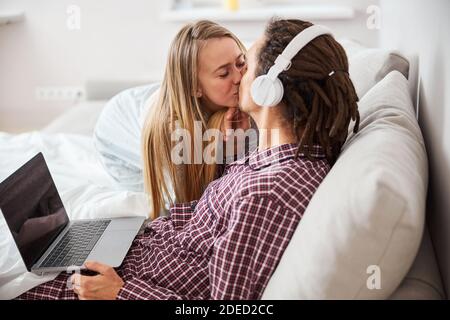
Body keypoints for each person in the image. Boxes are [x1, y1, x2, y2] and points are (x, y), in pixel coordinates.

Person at [18, 18, 359, 300]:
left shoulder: (267, 195)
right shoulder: (273, 154)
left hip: (117, 282)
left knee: (24, 257)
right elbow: (208, 211)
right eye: (227, 71)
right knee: (39, 244)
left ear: (268, 89)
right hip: (135, 247)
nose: (239, 78)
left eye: (245, 64)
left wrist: (120, 293)